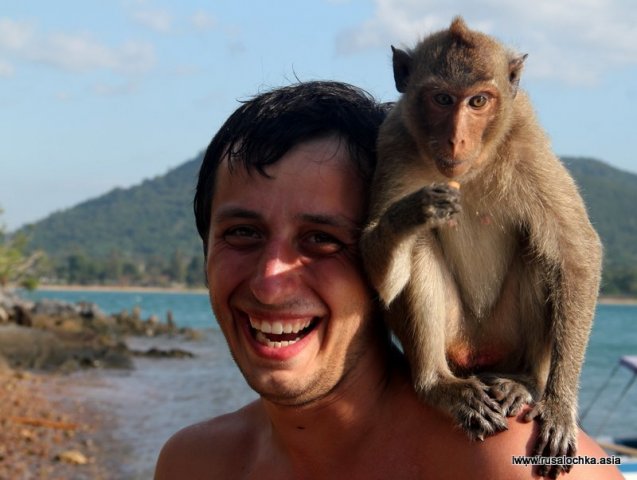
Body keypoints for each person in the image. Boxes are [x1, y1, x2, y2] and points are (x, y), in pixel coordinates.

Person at [154, 81, 622, 479]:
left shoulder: (515, 465)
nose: (270, 281)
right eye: (243, 234)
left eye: (321, 239)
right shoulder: (193, 463)